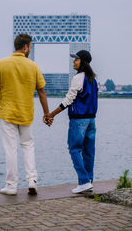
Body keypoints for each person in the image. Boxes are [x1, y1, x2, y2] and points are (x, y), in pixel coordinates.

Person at [0, 34, 52, 196]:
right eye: (29, 46)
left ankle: (11, 186)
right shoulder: (33, 66)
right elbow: (42, 91)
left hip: (7, 113)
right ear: (25, 47)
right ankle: (32, 181)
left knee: (11, 149)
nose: (30, 49)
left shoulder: (1, 64)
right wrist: (47, 113)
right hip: (26, 113)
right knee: (28, 146)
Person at [47, 50, 98, 194]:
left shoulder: (78, 78)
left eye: (76, 59)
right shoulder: (93, 79)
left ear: (83, 62)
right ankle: (88, 181)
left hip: (79, 120)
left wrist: (52, 114)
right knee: (89, 152)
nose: (73, 62)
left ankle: (84, 181)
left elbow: (68, 100)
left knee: (74, 149)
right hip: (91, 120)